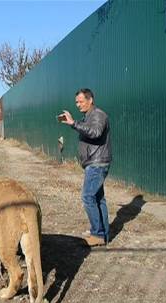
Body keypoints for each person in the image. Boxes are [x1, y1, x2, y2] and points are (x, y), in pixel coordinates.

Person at [59, 88, 112, 246]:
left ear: (91, 100)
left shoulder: (98, 115)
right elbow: (85, 129)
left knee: (88, 197)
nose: (78, 104)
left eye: (81, 101)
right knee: (97, 198)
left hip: (97, 162)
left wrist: (74, 123)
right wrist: (73, 122)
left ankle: (97, 234)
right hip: (95, 161)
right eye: (76, 102)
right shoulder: (89, 116)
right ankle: (103, 234)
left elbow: (95, 132)